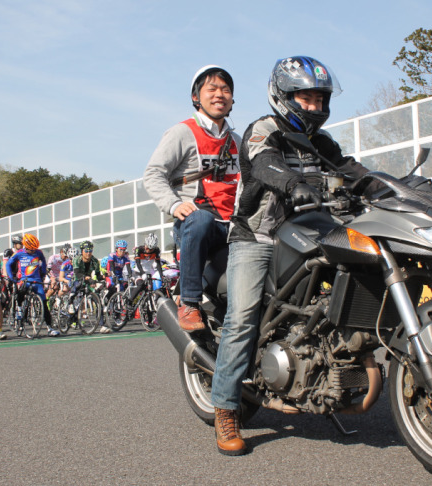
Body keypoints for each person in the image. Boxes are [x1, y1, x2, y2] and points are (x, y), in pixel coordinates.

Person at [210, 56, 379, 456]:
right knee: (243, 316)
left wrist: (383, 186)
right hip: (258, 236)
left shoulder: (321, 141)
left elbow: (348, 168)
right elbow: (264, 163)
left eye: (320, 99)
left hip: (309, 233)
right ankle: (226, 408)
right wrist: (293, 183)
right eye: (306, 98)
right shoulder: (262, 129)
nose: (315, 107)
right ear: (284, 97)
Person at [143, 65, 240, 332]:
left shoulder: (238, 141)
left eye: (226, 89)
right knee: (201, 218)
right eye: (212, 89)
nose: (220, 94)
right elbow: (153, 174)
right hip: (197, 226)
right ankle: (188, 302)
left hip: (231, 228)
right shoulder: (181, 132)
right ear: (196, 97)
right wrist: (174, 205)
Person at [5, 233, 60, 337]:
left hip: (37, 281)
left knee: (44, 304)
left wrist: (43, 271)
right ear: (26, 246)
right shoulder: (19, 253)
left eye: (35, 249)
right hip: (25, 280)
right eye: (31, 249)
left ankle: (50, 328)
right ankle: (19, 309)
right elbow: (8, 264)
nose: (33, 251)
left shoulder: (38, 252)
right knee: (20, 293)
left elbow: (43, 261)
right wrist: (12, 277)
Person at [61, 241, 109, 332]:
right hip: (78, 279)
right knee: (77, 285)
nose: (88, 253)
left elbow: (98, 275)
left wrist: (105, 276)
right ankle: (71, 302)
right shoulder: (77, 259)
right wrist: (88, 278)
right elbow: (78, 273)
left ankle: (102, 325)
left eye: (90, 251)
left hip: (88, 282)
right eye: (86, 251)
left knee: (97, 299)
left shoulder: (94, 261)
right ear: (82, 251)